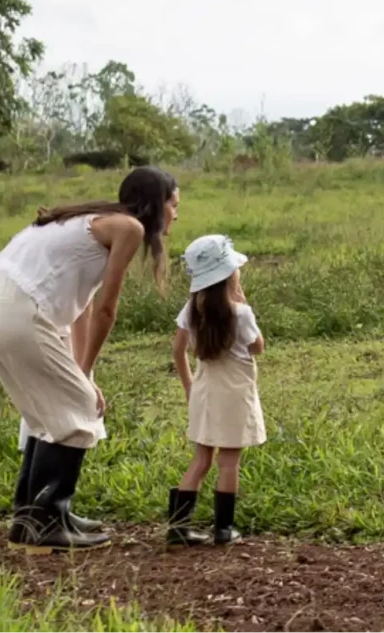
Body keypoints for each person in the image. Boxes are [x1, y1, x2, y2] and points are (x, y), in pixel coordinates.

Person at [0, 166, 179, 552]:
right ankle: (48, 517)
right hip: (21, 312)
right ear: (156, 204)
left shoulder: (89, 221)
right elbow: (105, 311)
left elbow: (81, 308)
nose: (176, 214)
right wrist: (83, 383)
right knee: (75, 409)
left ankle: (32, 518)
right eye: (174, 204)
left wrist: (83, 372)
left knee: (45, 413)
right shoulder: (129, 229)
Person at [165, 234, 267, 546]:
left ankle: (178, 527)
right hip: (234, 393)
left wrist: (188, 386)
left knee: (201, 459)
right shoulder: (240, 313)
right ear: (228, 275)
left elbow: (178, 350)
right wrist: (244, 302)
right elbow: (258, 348)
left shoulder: (191, 311)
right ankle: (224, 529)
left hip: (204, 389)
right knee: (229, 461)